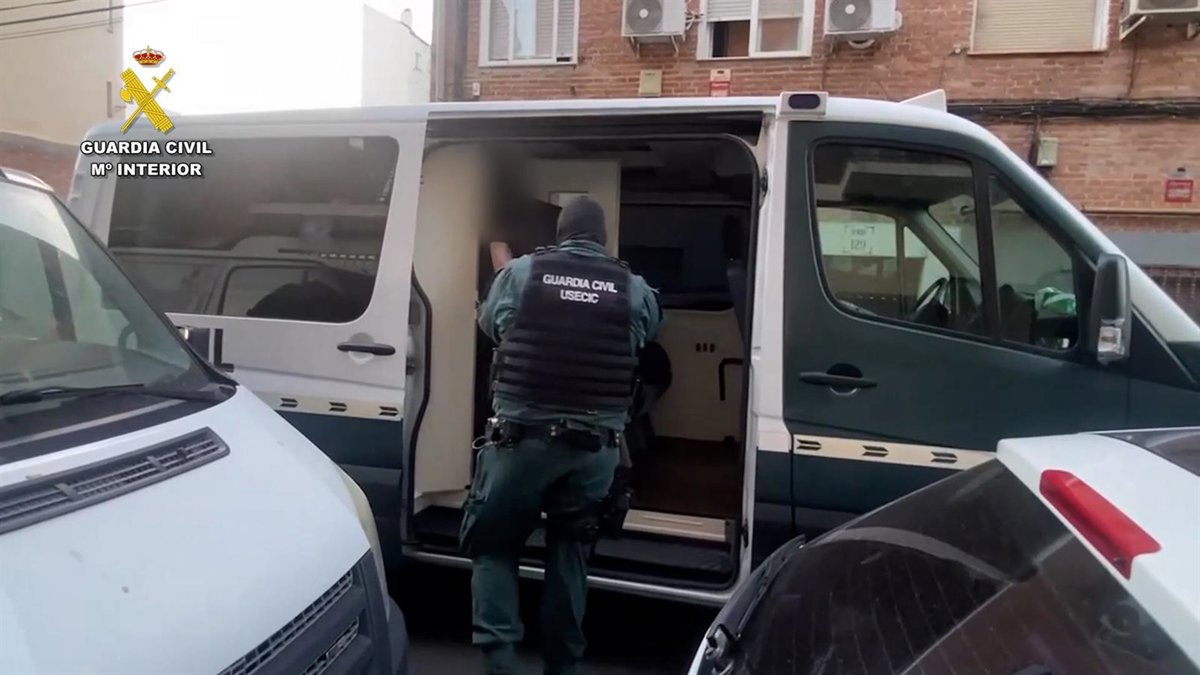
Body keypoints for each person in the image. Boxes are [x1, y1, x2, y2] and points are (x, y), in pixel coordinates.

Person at [462, 196, 662, 675]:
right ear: (603, 238)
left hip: (520, 445)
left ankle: (501, 663)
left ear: (560, 233)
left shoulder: (522, 273)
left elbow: (491, 325)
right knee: (570, 552)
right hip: (592, 453)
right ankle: (563, 666)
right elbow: (647, 335)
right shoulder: (634, 288)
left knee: (494, 546)